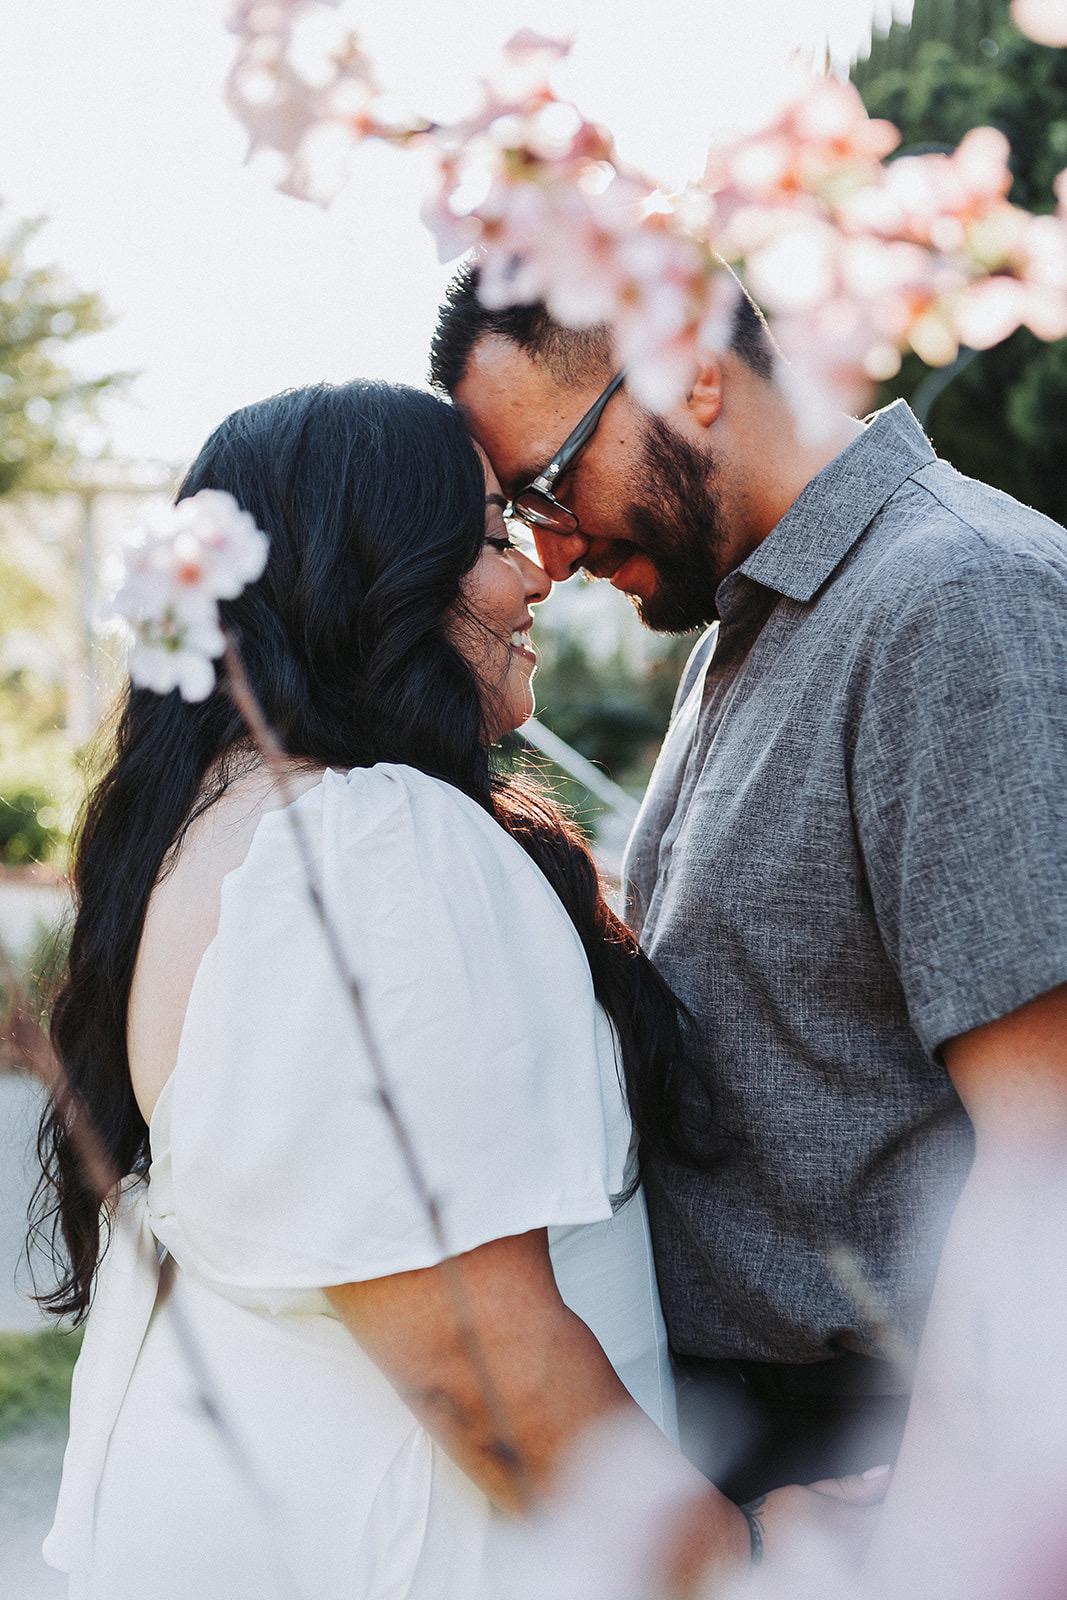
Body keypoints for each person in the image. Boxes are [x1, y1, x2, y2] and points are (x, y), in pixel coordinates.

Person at [34, 382, 881, 1599]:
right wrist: (737, 1554)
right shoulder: (368, 848)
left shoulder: (208, 829)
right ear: (374, 573)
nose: (535, 573)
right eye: (490, 536)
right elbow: (474, 1358)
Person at [430, 259, 1067, 1507]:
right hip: (762, 1446)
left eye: (549, 486)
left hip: (890, 1453)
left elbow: (1043, 1150)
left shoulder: (958, 601)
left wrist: (919, 1534)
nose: (549, 553)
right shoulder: (743, 624)